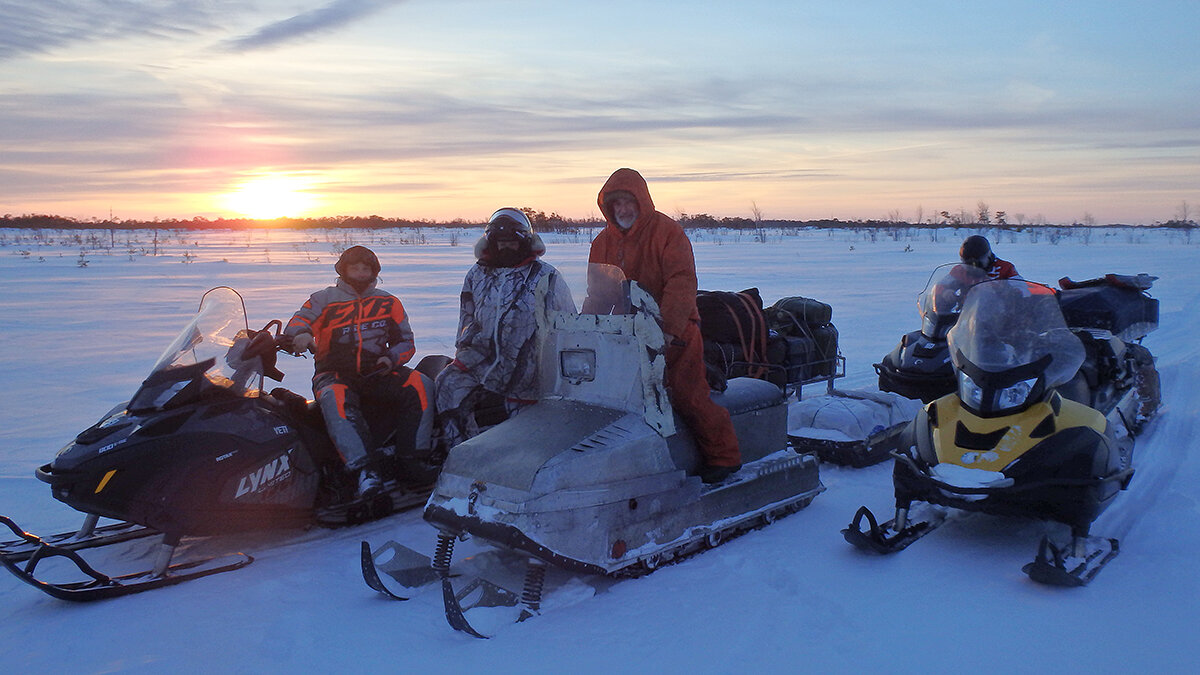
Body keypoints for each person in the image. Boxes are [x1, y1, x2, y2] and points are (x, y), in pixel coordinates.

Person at [588, 168, 741, 483]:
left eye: (629, 203)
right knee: (614, 397)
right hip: (625, 332)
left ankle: (724, 457)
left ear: (642, 202)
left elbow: (681, 281)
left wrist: (668, 329)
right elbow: (598, 292)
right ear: (608, 207)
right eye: (616, 204)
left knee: (687, 395)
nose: (623, 210)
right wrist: (588, 328)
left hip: (674, 330)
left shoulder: (667, 232)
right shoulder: (602, 242)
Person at [285, 245, 434, 498]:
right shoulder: (324, 299)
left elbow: (406, 342)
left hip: (376, 371)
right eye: (354, 268)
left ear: (374, 271)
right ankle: (366, 470)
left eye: (366, 268)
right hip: (333, 373)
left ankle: (412, 459)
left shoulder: (388, 302)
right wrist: (301, 334)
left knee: (421, 384)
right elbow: (300, 320)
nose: (360, 273)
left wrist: (391, 359)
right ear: (343, 270)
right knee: (336, 398)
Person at [434, 208, 575, 454]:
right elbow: (466, 318)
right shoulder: (477, 274)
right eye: (501, 243)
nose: (506, 248)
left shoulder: (546, 276)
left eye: (512, 242)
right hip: (480, 361)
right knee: (446, 382)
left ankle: (517, 463)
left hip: (529, 367)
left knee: (520, 429)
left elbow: (568, 324)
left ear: (524, 241)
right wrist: (463, 350)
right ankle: (462, 453)